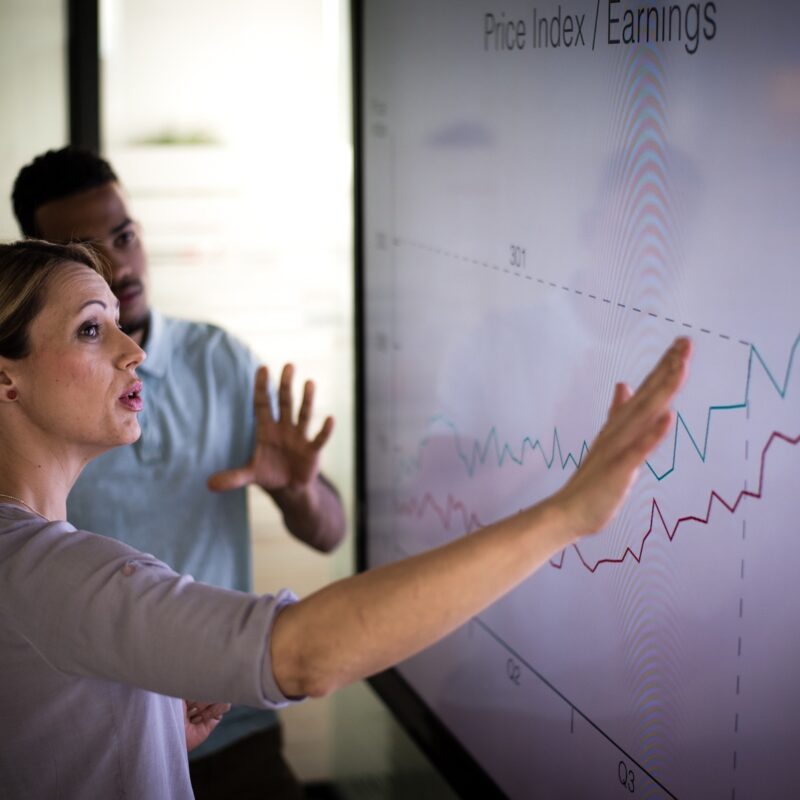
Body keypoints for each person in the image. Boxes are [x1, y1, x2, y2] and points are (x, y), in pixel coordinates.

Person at [0, 237, 691, 799]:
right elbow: (303, 655)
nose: (133, 352)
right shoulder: (53, 573)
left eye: (118, 325)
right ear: (7, 379)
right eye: (91, 330)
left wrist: (145, 723)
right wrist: (567, 513)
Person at [11, 148, 347, 798]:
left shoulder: (219, 361)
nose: (123, 263)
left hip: (224, 721)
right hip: (102, 732)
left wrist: (297, 491)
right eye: (86, 248)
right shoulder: (28, 486)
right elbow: (307, 654)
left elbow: (329, 533)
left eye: (125, 235)